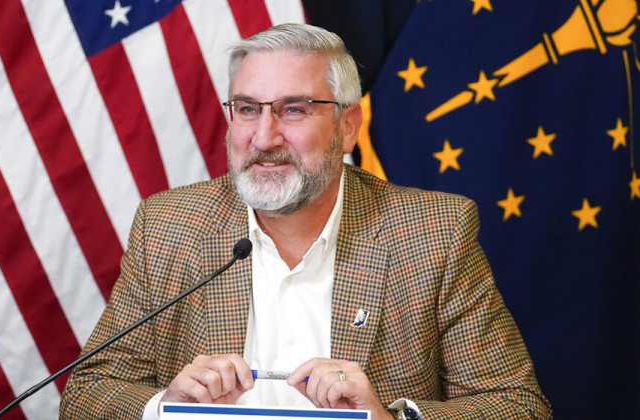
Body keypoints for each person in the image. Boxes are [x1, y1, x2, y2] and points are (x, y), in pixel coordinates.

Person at [59, 23, 551, 420]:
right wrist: (164, 408)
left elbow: (519, 407)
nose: (264, 136)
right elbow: (84, 396)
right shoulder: (169, 226)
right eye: (248, 110)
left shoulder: (432, 232)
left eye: (292, 110)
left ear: (347, 127)